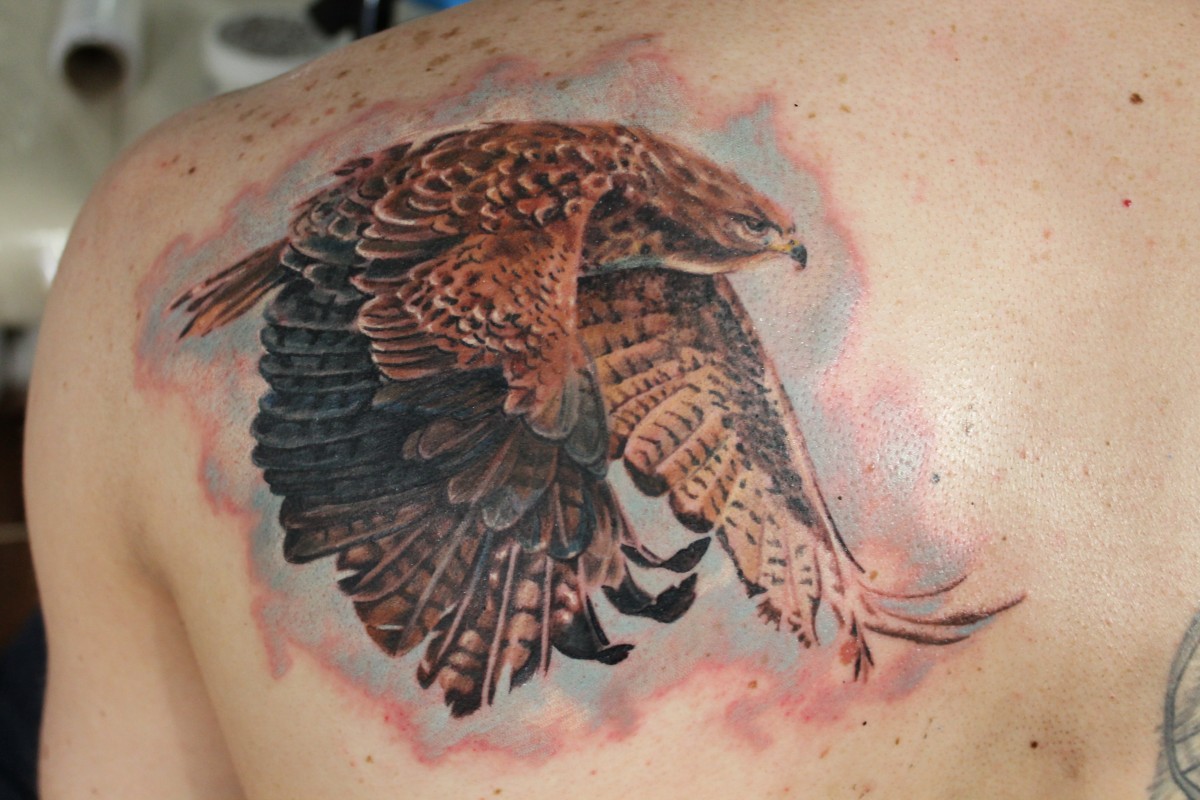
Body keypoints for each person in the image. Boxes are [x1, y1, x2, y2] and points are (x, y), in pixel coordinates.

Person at [24, 0, 1200, 796]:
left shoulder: (149, 229)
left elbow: (726, 425)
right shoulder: (164, 241)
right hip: (382, 253)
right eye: (753, 233)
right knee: (541, 424)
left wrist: (804, 550)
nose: (774, 251)